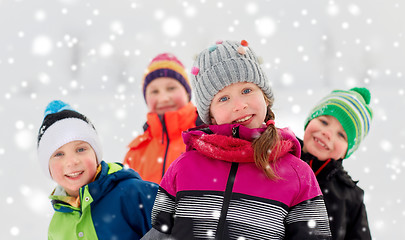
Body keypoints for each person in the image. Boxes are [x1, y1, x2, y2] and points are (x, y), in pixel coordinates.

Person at [142, 40, 331, 239]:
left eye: (247, 91)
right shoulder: (184, 167)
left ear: (265, 97)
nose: (239, 105)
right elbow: (159, 232)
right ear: (210, 115)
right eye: (223, 98)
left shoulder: (298, 175)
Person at [37, 100, 158, 240]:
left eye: (80, 149)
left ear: (96, 154)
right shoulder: (57, 227)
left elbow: (179, 230)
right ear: (47, 166)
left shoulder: (134, 194)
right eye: (59, 154)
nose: (72, 161)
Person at [298, 87, 373, 240]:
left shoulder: (350, 197)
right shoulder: (276, 157)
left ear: (347, 151)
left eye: (341, 134)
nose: (327, 133)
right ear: (310, 120)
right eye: (324, 121)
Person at [123, 53, 202, 184]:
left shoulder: (208, 137)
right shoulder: (135, 153)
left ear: (187, 93)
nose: (164, 98)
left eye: (171, 88)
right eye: (154, 91)